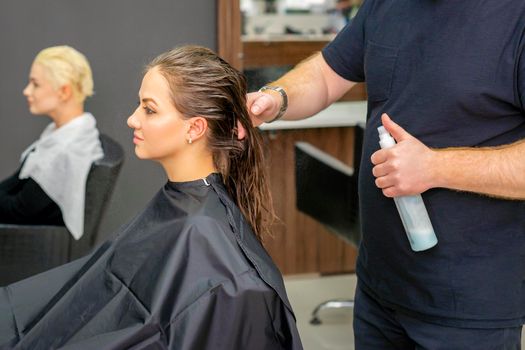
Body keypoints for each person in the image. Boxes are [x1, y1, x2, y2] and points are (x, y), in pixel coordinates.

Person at [247, 1, 525, 348]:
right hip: (379, 287)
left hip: (467, 306)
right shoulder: (387, 5)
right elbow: (325, 73)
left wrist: (436, 168)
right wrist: (277, 98)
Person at [0, 45, 303, 350]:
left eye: (149, 109)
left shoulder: (230, 274)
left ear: (195, 128)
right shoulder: (182, 205)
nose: (132, 119)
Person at [0, 45, 103, 239]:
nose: (26, 91)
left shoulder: (65, 150)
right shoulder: (64, 134)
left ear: (63, 92)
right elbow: (17, 183)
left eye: (35, 84)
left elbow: (18, 210)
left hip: (30, 244)